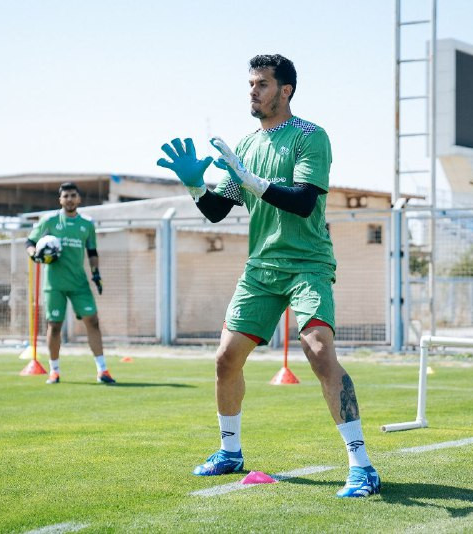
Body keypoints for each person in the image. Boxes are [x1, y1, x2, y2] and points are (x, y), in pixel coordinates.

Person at [156, 54, 379, 498]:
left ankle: (362, 467)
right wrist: (195, 185)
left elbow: (303, 201)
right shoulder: (244, 146)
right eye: (250, 84)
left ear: (285, 90)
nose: (253, 92)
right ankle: (230, 452)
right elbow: (217, 211)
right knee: (225, 359)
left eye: (261, 84)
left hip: (308, 264)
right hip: (261, 269)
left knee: (319, 352)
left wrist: (252, 180)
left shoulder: (310, 137)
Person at [25, 182, 115, 385]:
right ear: (60, 200)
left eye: (73, 195)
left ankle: (102, 370)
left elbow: (92, 252)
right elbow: (30, 242)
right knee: (54, 326)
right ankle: (54, 371)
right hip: (54, 284)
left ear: (79, 199)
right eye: (65, 196)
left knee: (93, 321)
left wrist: (96, 274)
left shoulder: (87, 224)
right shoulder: (49, 221)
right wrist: (34, 254)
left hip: (79, 283)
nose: (70, 199)